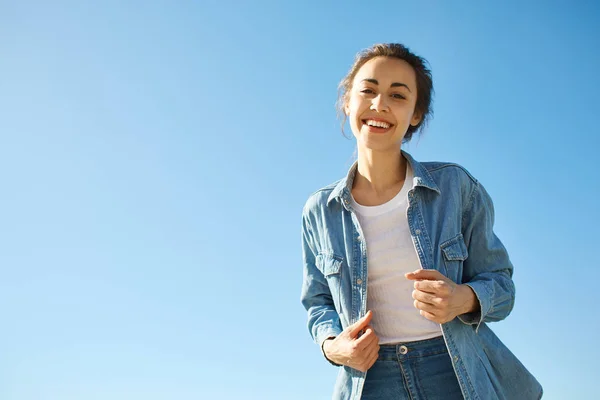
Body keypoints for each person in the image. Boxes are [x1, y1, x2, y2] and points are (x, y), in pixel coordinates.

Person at [300, 43, 542, 400]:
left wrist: (463, 298)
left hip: (454, 370)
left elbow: (503, 289)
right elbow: (317, 302)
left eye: (398, 95)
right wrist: (332, 347)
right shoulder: (319, 210)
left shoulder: (456, 188)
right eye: (368, 90)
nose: (379, 104)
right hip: (370, 378)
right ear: (348, 102)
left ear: (416, 114)